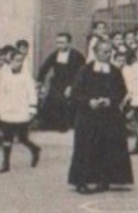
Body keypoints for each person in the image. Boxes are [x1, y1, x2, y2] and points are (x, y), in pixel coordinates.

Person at [67, 47, 132, 194]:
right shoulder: (84, 70)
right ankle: (82, 181)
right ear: (96, 53)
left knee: (107, 147)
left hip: (109, 115)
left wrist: (110, 100)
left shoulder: (115, 71)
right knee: (85, 147)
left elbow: (122, 90)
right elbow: (76, 92)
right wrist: (88, 101)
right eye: (104, 52)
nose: (107, 54)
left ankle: (105, 179)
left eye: (109, 52)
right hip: (87, 115)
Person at [0, 48, 41, 174]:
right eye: (16, 60)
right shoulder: (5, 76)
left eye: (20, 61)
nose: (18, 63)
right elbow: (1, 93)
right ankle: (6, 163)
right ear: (10, 61)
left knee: (22, 138)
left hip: (21, 110)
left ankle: (34, 149)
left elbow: (32, 93)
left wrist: (32, 108)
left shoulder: (26, 77)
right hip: (8, 110)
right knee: (7, 137)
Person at [37, 33, 87, 132]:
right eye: (58, 43)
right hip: (57, 83)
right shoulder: (55, 54)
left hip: (72, 83)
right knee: (51, 100)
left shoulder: (77, 56)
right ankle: (48, 124)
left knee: (65, 101)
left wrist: (72, 86)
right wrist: (40, 81)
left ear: (69, 43)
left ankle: (64, 125)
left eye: (62, 43)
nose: (59, 45)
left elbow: (81, 73)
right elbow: (45, 68)